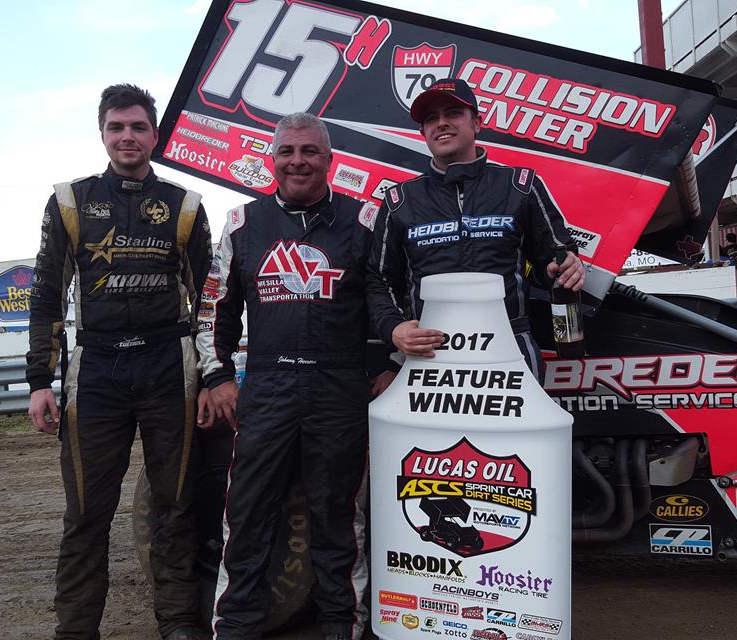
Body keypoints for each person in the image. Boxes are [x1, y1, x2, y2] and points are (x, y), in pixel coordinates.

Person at [26, 83, 213, 640]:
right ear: (102, 134)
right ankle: (76, 630)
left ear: (155, 136)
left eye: (138, 127)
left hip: (169, 367)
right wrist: (39, 381)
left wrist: (213, 375)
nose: (127, 136)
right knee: (86, 514)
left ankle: (178, 624)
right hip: (97, 371)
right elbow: (45, 294)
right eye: (116, 127)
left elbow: (209, 302)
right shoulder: (69, 201)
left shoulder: (185, 205)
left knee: (175, 507)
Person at [197, 113, 385, 640]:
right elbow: (214, 309)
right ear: (272, 159)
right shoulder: (243, 223)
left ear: (330, 160)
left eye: (309, 151)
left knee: (338, 518)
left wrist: (391, 366)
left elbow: (390, 299)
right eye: (287, 151)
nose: (297, 161)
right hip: (268, 388)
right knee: (247, 515)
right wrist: (217, 377)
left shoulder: (365, 220)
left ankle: (341, 626)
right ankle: (236, 627)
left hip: (338, 389)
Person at [367, 78, 585, 376]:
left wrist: (568, 267)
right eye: (431, 118)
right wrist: (393, 328)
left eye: (454, 113)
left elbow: (556, 261)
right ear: (423, 133)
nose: (441, 123)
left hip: (510, 346)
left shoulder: (520, 186)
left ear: (477, 123)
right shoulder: (399, 200)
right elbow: (380, 281)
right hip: (431, 350)